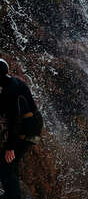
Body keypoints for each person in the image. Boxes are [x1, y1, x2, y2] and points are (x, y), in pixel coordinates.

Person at [0, 59, 43, 199]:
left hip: (27, 131)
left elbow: (15, 120)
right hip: (32, 127)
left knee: (6, 165)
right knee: (10, 165)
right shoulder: (12, 83)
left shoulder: (10, 89)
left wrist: (10, 147)